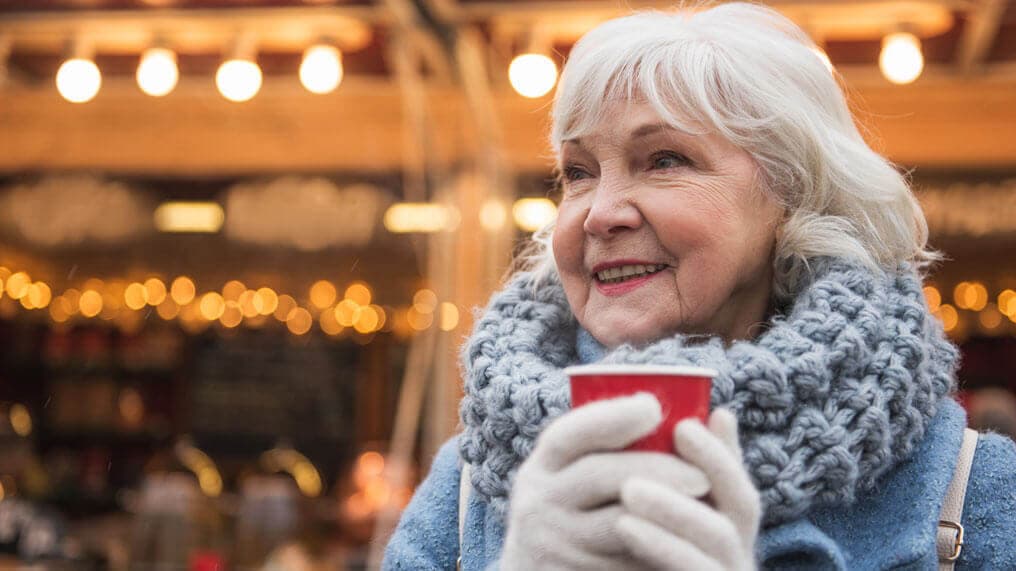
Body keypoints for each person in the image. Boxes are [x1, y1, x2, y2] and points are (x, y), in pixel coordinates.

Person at [383, 2, 1016, 569]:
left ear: (793, 194)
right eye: (578, 172)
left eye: (664, 160)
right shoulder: (464, 491)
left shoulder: (971, 487)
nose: (600, 212)